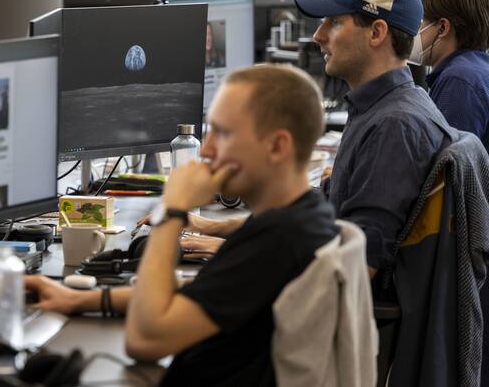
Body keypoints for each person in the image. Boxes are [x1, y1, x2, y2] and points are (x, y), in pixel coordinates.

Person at [27, 64, 340, 386]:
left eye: (223, 133)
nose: (205, 150)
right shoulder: (301, 215)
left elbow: (144, 340)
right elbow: (200, 294)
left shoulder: (280, 240)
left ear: (277, 146)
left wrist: (172, 212)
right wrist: (78, 298)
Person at [292, 0, 453, 284]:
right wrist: (233, 230)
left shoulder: (393, 127)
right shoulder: (382, 106)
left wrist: (256, 260)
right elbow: (334, 203)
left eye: (334, 22)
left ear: (377, 33)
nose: (318, 36)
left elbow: (358, 266)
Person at [410, 0, 489, 150]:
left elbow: (445, 168)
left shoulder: (459, 80)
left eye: (414, 20)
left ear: (442, 28)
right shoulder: (474, 69)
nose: (405, 30)